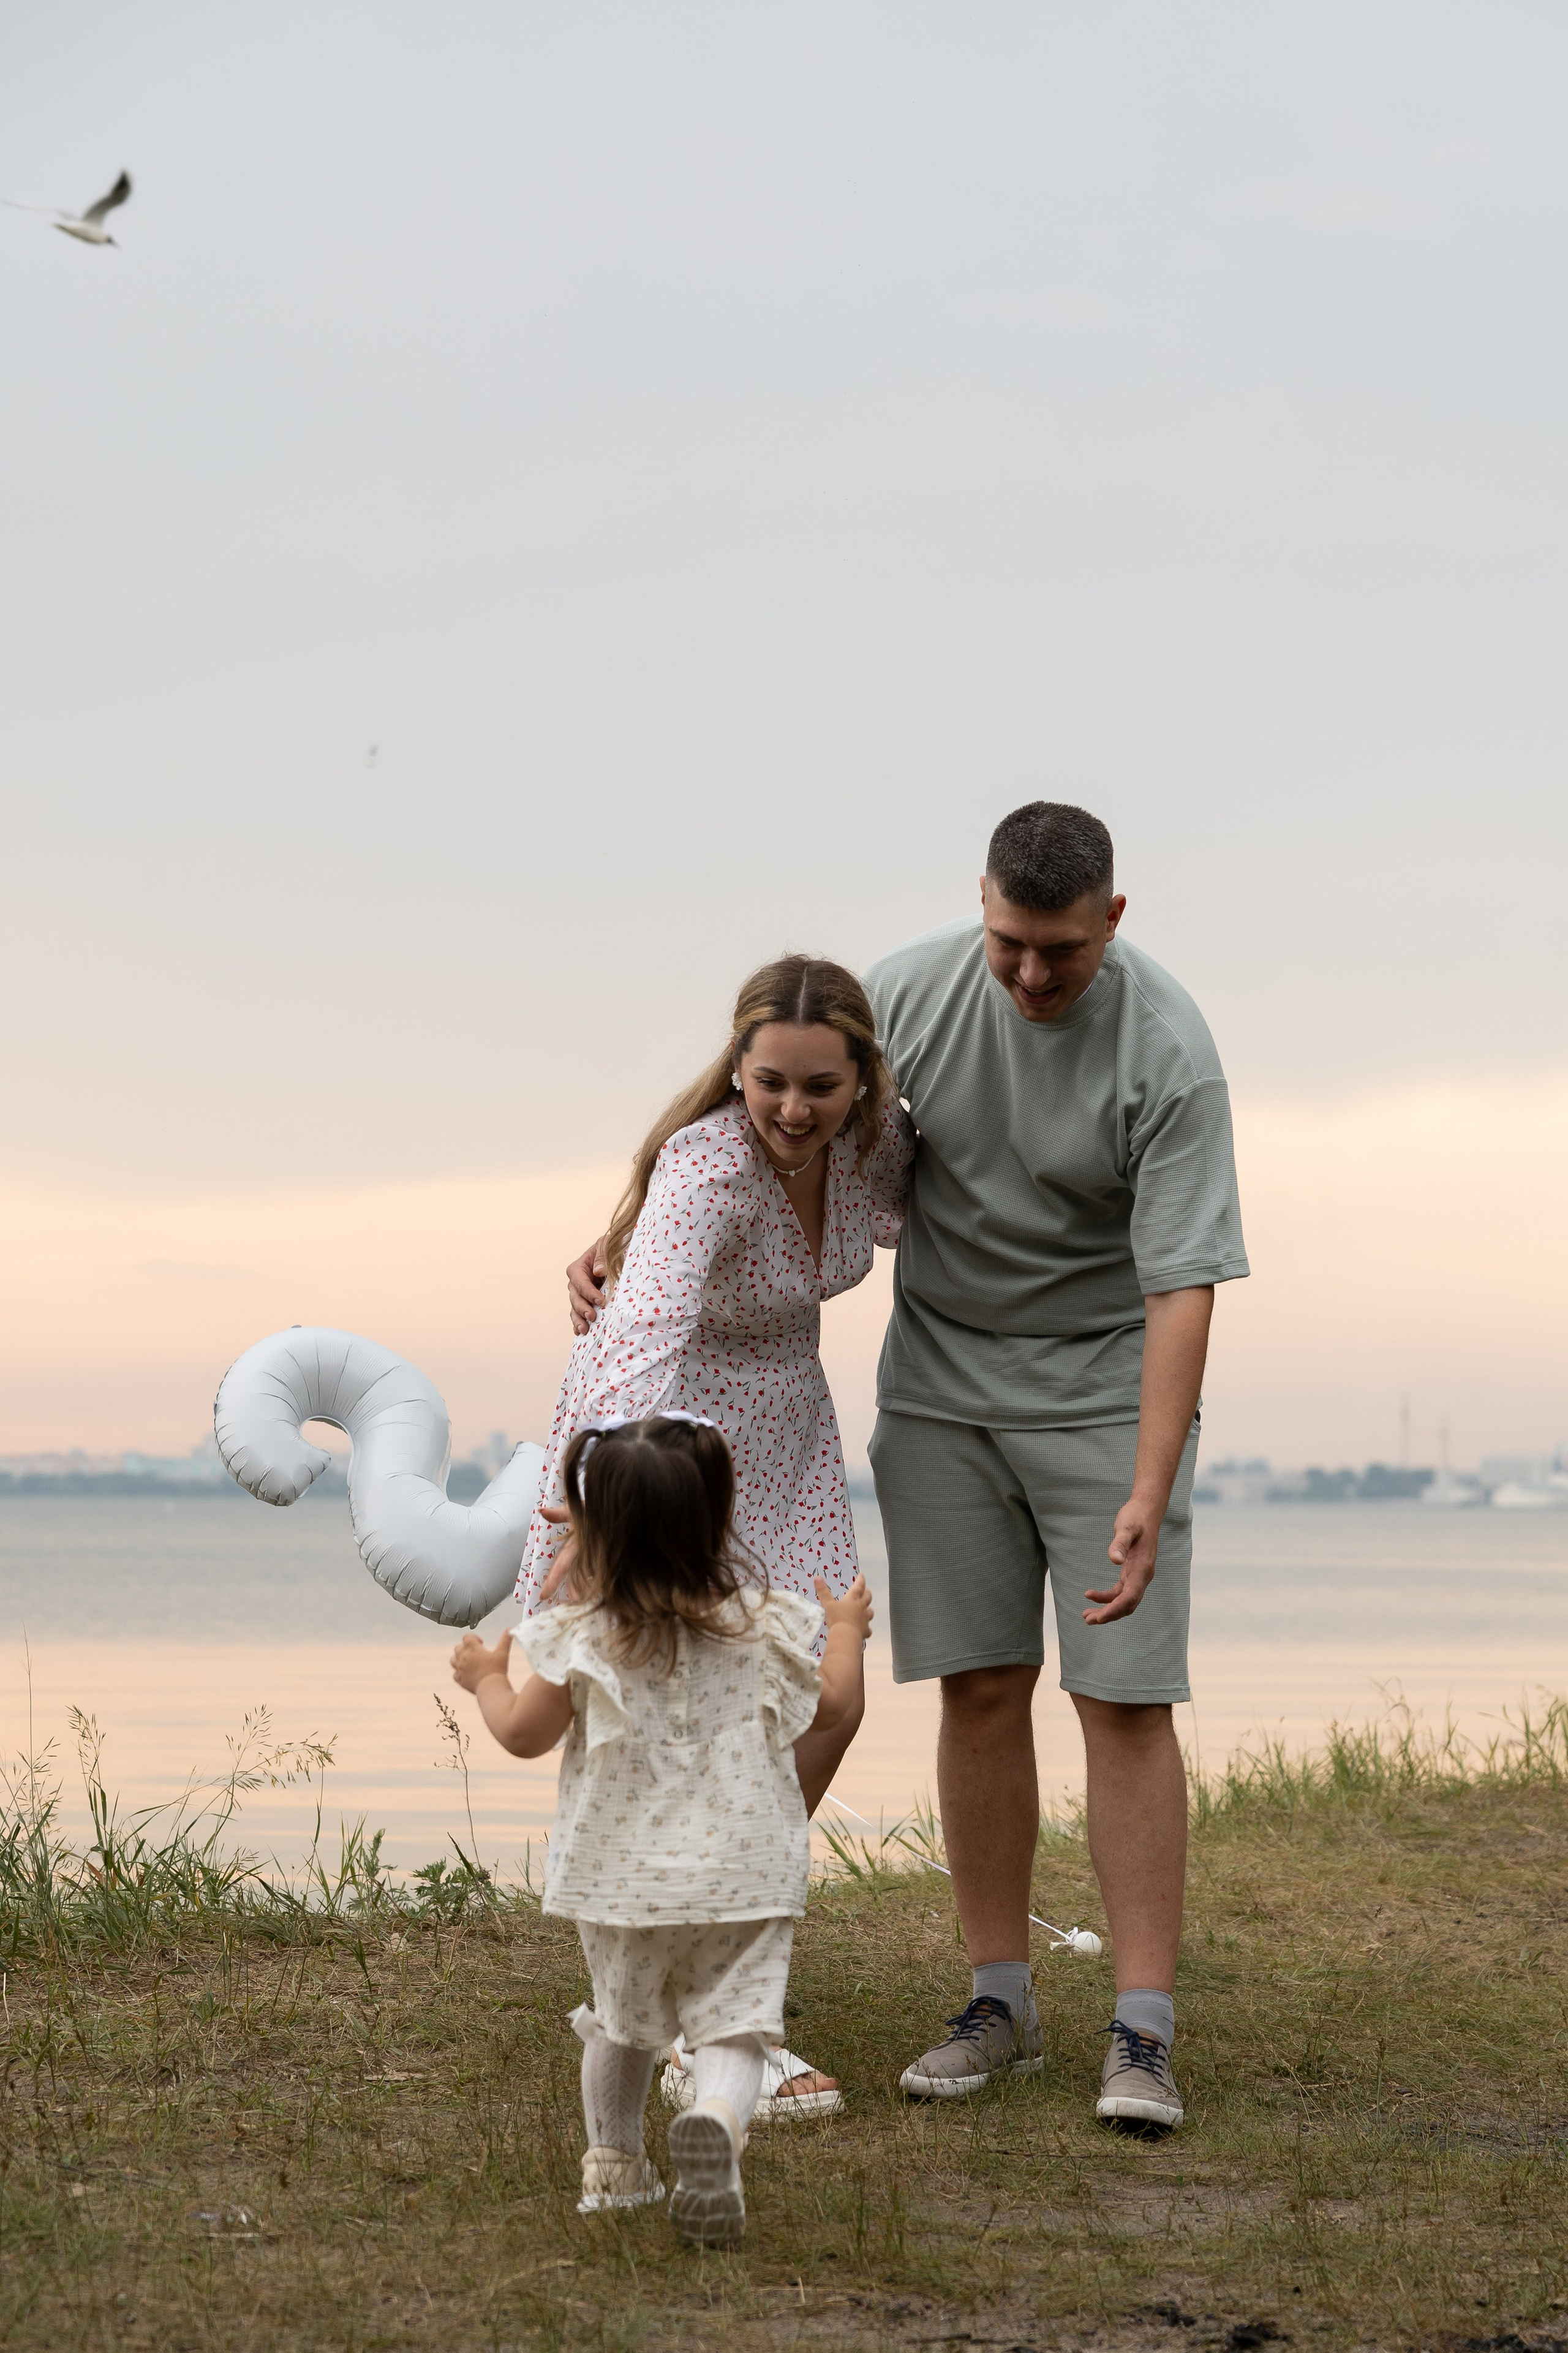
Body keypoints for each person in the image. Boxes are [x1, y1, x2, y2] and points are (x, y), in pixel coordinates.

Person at [863, 800, 1248, 2129]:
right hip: (941, 1394)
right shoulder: (906, 993)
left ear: (1112, 923)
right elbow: (757, 1116)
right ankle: (998, 2001)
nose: (1030, 977)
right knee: (976, 1687)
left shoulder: (1169, 1048)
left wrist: (1146, 1488)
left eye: (1060, 954)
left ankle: (1139, 2031)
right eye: (1008, 944)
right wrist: (625, 1230)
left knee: (1122, 1700)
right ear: (981, 904)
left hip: (1103, 1396)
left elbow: (1183, 1283)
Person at [532, 953, 911, 2114]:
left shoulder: (877, 1142)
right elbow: (640, 1335)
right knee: (669, 1705)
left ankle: (712, 1928)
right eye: (768, 1083)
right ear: (735, 1071)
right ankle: (705, 2009)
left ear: (862, 1081)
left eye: (820, 1086)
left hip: (789, 1436)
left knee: (830, 1696)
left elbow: (924, 1207)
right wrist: (604, 1506)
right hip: (673, 1451)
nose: (793, 1111)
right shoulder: (703, 1166)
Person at [450, 1413, 874, 2246]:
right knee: (733, 2023)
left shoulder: (581, 1637)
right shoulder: (763, 1625)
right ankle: (717, 2116)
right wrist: (850, 1633)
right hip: (741, 1875)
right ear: (718, 1521)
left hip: (620, 1880)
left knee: (622, 2021)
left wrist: (487, 1677)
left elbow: (522, 1734)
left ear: (597, 1529)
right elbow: (838, 1705)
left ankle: (614, 2165)